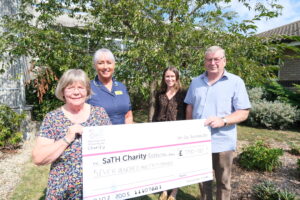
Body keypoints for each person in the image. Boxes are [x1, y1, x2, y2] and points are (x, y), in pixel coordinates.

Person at [32, 69, 111, 199]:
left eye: (80, 87)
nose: (76, 92)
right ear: (63, 91)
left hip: (96, 188)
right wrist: (66, 139)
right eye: (70, 88)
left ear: (87, 91)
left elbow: (112, 147)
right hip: (62, 189)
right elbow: (38, 158)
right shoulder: (52, 118)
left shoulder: (100, 114)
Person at [184, 46, 251, 200]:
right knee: (202, 181)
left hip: (222, 142)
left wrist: (224, 120)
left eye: (216, 59)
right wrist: (189, 128)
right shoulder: (195, 82)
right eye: (209, 59)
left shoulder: (235, 82)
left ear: (224, 61)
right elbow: (190, 105)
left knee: (223, 183)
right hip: (199, 141)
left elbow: (243, 112)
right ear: (204, 62)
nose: (212, 62)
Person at [152, 66, 186, 200]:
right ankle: (164, 189)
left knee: (177, 161)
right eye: (167, 76)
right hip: (161, 131)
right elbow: (156, 113)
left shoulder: (183, 93)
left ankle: (174, 192)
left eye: (172, 76)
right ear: (164, 77)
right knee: (164, 161)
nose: (170, 79)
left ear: (177, 77)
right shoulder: (159, 93)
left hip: (177, 131)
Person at [87, 48, 133, 124]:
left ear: (114, 65)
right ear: (95, 66)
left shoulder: (121, 87)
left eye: (109, 63)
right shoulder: (88, 87)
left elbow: (128, 116)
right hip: (100, 134)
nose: (105, 67)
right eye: (101, 63)